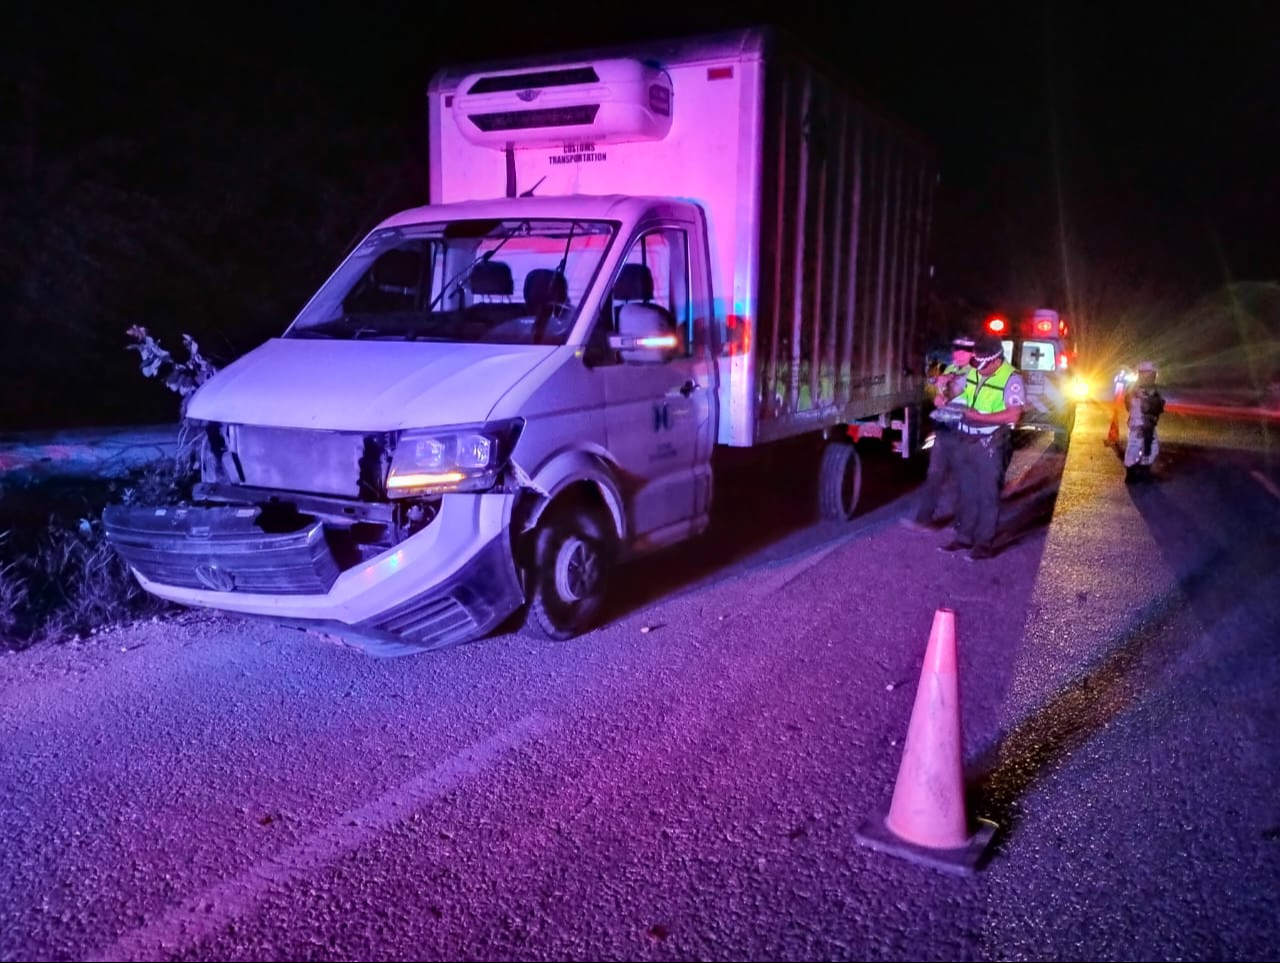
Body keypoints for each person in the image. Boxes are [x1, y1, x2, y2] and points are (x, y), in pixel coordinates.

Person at [940, 335, 1025, 561]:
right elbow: (966, 394)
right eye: (977, 363)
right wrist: (947, 396)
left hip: (992, 443)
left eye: (984, 364)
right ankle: (963, 537)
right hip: (968, 438)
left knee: (987, 494)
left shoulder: (1012, 379)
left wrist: (979, 416)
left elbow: (1013, 413)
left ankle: (983, 544)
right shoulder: (977, 370)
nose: (980, 368)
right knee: (967, 491)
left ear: (997, 360)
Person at [901, 334, 975, 532]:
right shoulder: (951, 369)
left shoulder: (974, 373)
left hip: (962, 430)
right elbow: (933, 391)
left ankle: (962, 524)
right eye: (956, 349)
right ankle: (923, 519)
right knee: (934, 475)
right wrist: (937, 384)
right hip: (944, 429)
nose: (958, 354)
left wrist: (942, 387)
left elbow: (950, 393)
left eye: (964, 351)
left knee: (962, 478)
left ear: (972, 353)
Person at [1123, 360, 1164, 483]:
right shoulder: (1136, 390)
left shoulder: (1150, 389)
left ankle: (1142, 470)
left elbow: (1157, 406)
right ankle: (1131, 474)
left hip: (1147, 425)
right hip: (1139, 425)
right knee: (1134, 448)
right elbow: (1133, 407)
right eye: (1151, 374)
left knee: (1152, 448)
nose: (1153, 377)